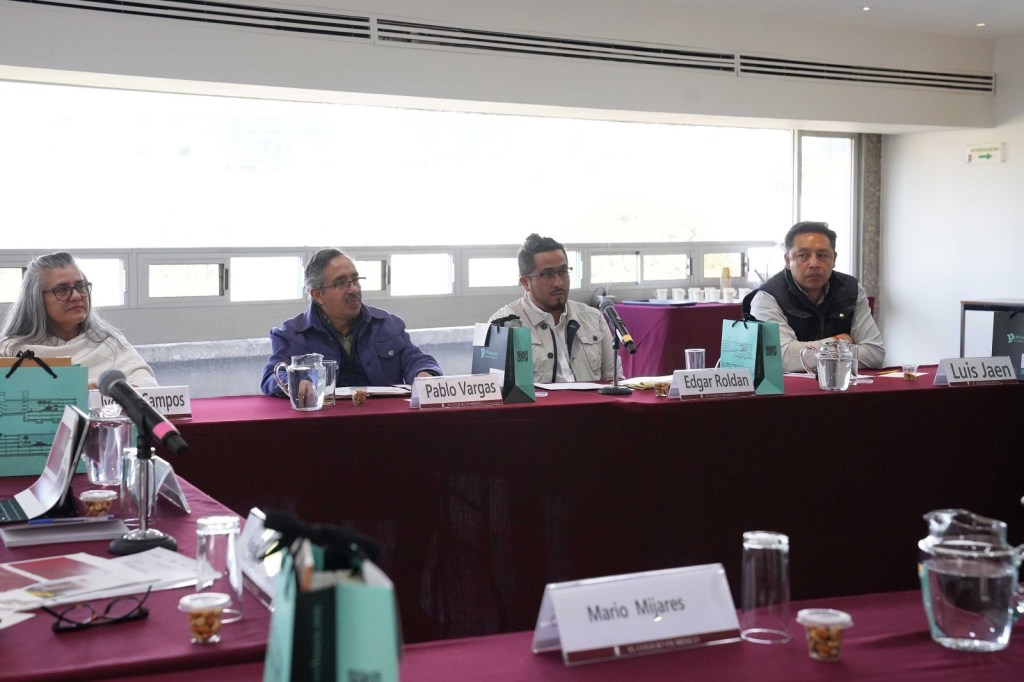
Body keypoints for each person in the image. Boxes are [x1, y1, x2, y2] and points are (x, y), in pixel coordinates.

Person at [260, 248, 441, 397]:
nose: (353, 289)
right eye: (341, 283)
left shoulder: (387, 324)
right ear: (317, 295)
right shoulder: (292, 334)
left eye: (355, 280)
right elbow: (271, 376)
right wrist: (295, 383)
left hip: (383, 422)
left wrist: (425, 373)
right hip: (323, 423)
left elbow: (418, 360)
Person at [742, 221, 885, 373]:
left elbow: (874, 354)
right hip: (790, 388)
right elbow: (782, 359)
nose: (814, 263)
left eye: (822, 255)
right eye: (803, 256)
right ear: (788, 261)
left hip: (841, 385)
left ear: (834, 259)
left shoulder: (851, 289)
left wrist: (804, 353)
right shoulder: (766, 297)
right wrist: (838, 342)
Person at [0, 251, 157, 388]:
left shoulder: (108, 342)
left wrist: (112, 394)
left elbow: (147, 384)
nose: (76, 296)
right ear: (36, 299)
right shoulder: (11, 351)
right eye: (62, 290)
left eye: (80, 286)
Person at [490, 233, 619, 384]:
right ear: (525, 283)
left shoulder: (593, 318)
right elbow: (494, 388)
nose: (558, 283)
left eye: (563, 272)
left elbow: (614, 380)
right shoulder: (502, 324)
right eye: (547, 275)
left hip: (590, 400)